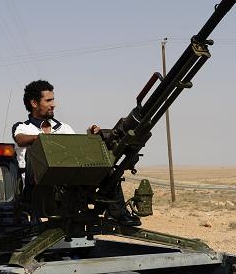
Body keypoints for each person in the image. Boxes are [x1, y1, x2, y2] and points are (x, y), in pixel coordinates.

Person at [12, 80, 141, 226]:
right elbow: (21, 140)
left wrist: (92, 136)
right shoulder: (23, 127)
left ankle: (118, 212)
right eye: (48, 100)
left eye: (53, 99)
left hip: (66, 182)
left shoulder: (63, 128)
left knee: (107, 170)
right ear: (34, 103)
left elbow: (77, 151)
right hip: (37, 187)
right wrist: (41, 139)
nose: (53, 104)